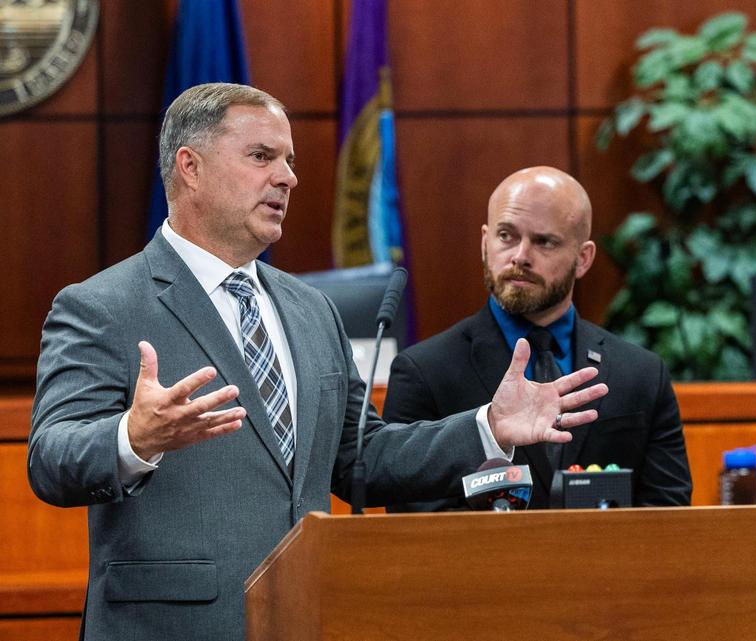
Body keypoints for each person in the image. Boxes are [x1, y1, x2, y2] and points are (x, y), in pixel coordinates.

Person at [27, 84, 607, 641]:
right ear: (190, 166)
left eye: (289, 160)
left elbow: (362, 458)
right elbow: (50, 460)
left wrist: (486, 427)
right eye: (262, 156)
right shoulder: (102, 305)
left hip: (308, 615)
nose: (288, 177)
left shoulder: (310, 309)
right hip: (175, 626)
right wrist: (134, 437)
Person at [383, 166, 691, 510]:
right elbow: (412, 529)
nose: (520, 256)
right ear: (485, 243)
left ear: (583, 259)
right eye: (506, 236)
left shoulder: (641, 375)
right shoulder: (425, 373)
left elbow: (667, 520)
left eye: (544, 241)